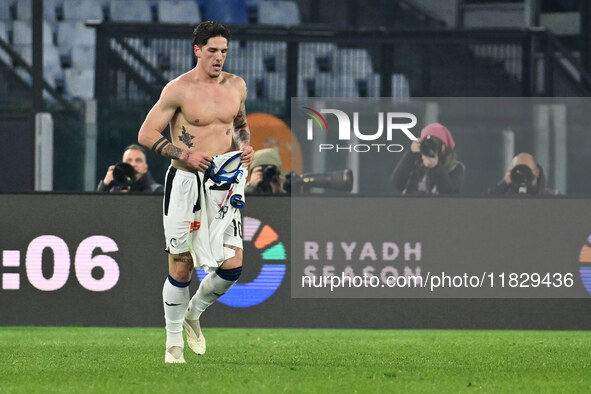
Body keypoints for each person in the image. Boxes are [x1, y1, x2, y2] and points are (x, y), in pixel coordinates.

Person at [137, 21, 254, 364]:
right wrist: (185, 154)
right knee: (181, 264)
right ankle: (173, 345)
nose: (220, 57)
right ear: (198, 50)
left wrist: (245, 147)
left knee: (233, 266)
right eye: (213, 50)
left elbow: (241, 126)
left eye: (224, 51)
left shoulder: (237, 86)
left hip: (223, 184)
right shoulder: (179, 89)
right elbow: (146, 133)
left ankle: (192, 312)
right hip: (186, 182)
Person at [390, 123, 465, 194]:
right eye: (426, 142)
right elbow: (397, 184)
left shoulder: (455, 167)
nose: (430, 147)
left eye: (435, 142)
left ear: (443, 147)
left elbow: (449, 193)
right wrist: (410, 153)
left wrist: (435, 167)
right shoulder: (416, 162)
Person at [97, 144, 163, 193]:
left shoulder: (156, 191)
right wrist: (105, 185)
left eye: (138, 160)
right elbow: (97, 206)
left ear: (146, 168)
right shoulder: (112, 190)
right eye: (129, 160)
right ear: (123, 165)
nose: (133, 164)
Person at [488, 152, 558, 195]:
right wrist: (504, 184)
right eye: (518, 170)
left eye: (525, 169)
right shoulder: (504, 196)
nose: (522, 174)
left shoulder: (550, 196)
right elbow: (485, 205)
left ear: (536, 172)